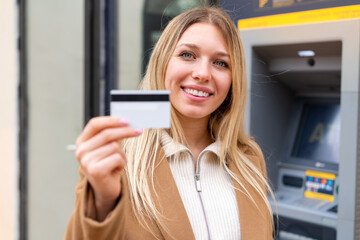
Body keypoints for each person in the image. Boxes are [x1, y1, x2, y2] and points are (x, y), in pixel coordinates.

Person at [64, 6, 275, 240]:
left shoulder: (248, 158)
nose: (203, 73)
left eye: (220, 63)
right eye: (188, 55)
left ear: (233, 80)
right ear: (162, 62)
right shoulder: (118, 156)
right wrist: (103, 200)